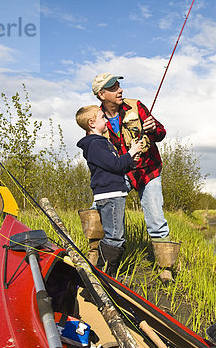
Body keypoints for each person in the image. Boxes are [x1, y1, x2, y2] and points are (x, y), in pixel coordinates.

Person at [92, 72, 177, 283]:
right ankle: (94, 256)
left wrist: (154, 128)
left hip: (148, 170)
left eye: (119, 86)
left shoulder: (136, 106)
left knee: (156, 218)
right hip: (121, 173)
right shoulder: (95, 117)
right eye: (113, 88)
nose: (120, 90)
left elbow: (161, 132)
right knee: (97, 209)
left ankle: (165, 268)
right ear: (102, 95)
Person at [76, 105, 143, 276]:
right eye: (102, 118)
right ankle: (104, 277)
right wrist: (131, 152)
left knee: (114, 235)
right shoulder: (95, 145)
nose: (106, 120)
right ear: (92, 123)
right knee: (114, 237)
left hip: (112, 194)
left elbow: (115, 167)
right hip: (111, 195)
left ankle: (106, 275)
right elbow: (114, 165)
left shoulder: (101, 143)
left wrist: (131, 159)